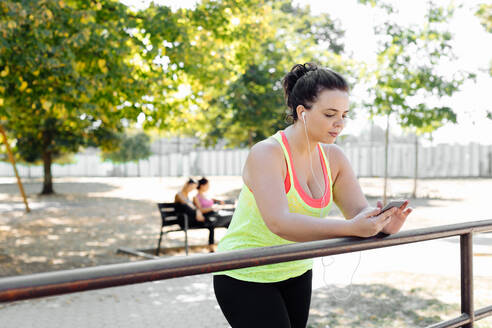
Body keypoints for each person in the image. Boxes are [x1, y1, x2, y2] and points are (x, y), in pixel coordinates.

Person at [213, 63, 413, 328]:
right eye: (330, 114)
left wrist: (383, 223)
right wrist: (351, 228)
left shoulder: (334, 158)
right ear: (302, 112)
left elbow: (357, 211)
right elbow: (279, 222)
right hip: (245, 272)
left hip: (296, 270)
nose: (340, 123)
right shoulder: (267, 153)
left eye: (344, 114)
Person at [193, 177, 231, 246]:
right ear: (202, 186)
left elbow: (212, 200)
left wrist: (218, 201)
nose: (208, 187)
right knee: (212, 224)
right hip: (206, 217)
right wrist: (212, 208)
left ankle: (229, 243)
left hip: (214, 215)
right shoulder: (196, 197)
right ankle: (212, 247)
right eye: (207, 185)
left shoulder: (206, 195)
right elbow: (200, 210)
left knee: (229, 221)